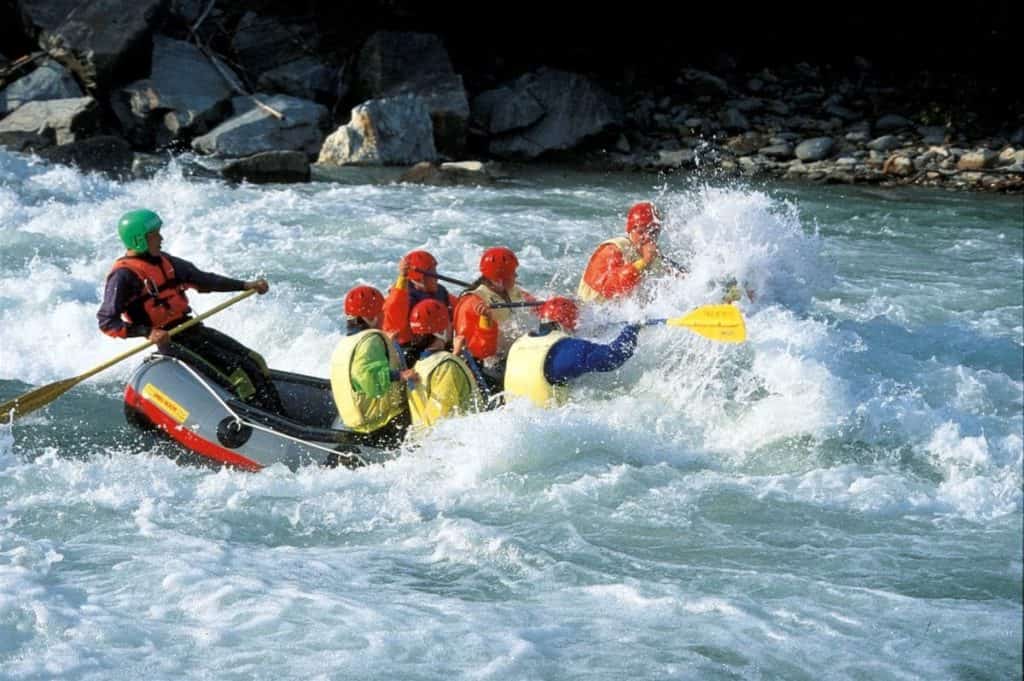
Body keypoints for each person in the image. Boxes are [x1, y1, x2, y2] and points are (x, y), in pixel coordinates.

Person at [97, 208, 284, 413]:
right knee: (239, 378)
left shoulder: (165, 261)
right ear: (139, 240)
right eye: (155, 235)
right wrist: (147, 332)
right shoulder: (123, 276)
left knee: (256, 361)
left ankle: (279, 413)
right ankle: (260, 419)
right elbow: (107, 322)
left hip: (192, 329)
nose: (161, 238)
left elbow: (204, 280)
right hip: (172, 340)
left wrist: (245, 285)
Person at [504, 296, 642, 408]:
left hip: (514, 417)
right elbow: (613, 357)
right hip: (548, 422)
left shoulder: (519, 344)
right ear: (565, 324)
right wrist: (632, 328)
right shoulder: (565, 349)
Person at [329, 285, 418, 446]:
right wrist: (400, 375)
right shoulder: (372, 340)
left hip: (357, 424)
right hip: (385, 422)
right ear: (371, 317)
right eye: (381, 312)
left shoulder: (345, 343)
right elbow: (368, 379)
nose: (384, 316)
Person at [452, 246, 537, 391]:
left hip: (516, 354)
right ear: (499, 280)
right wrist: (486, 321)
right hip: (489, 368)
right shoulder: (473, 303)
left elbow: (536, 306)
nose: (516, 276)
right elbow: (480, 352)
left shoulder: (513, 291)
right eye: (512, 273)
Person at [404, 299, 484, 430]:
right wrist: (454, 357)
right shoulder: (447, 366)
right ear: (441, 331)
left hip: (422, 438)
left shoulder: (417, 366)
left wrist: (455, 354)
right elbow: (443, 418)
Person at [576, 201, 672, 303]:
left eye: (653, 232)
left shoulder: (654, 255)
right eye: (641, 232)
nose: (648, 237)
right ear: (630, 230)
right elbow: (610, 288)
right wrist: (644, 261)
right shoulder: (612, 250)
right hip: (589, 308)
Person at [382, 249, 457, 367]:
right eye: (432, 273)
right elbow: (392, 317)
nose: (437, 277)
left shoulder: (440, 292)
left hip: (438, 345)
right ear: (419, 278)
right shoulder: (403, 298)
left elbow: (459, 307)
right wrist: (402, 277)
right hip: (411, 352)